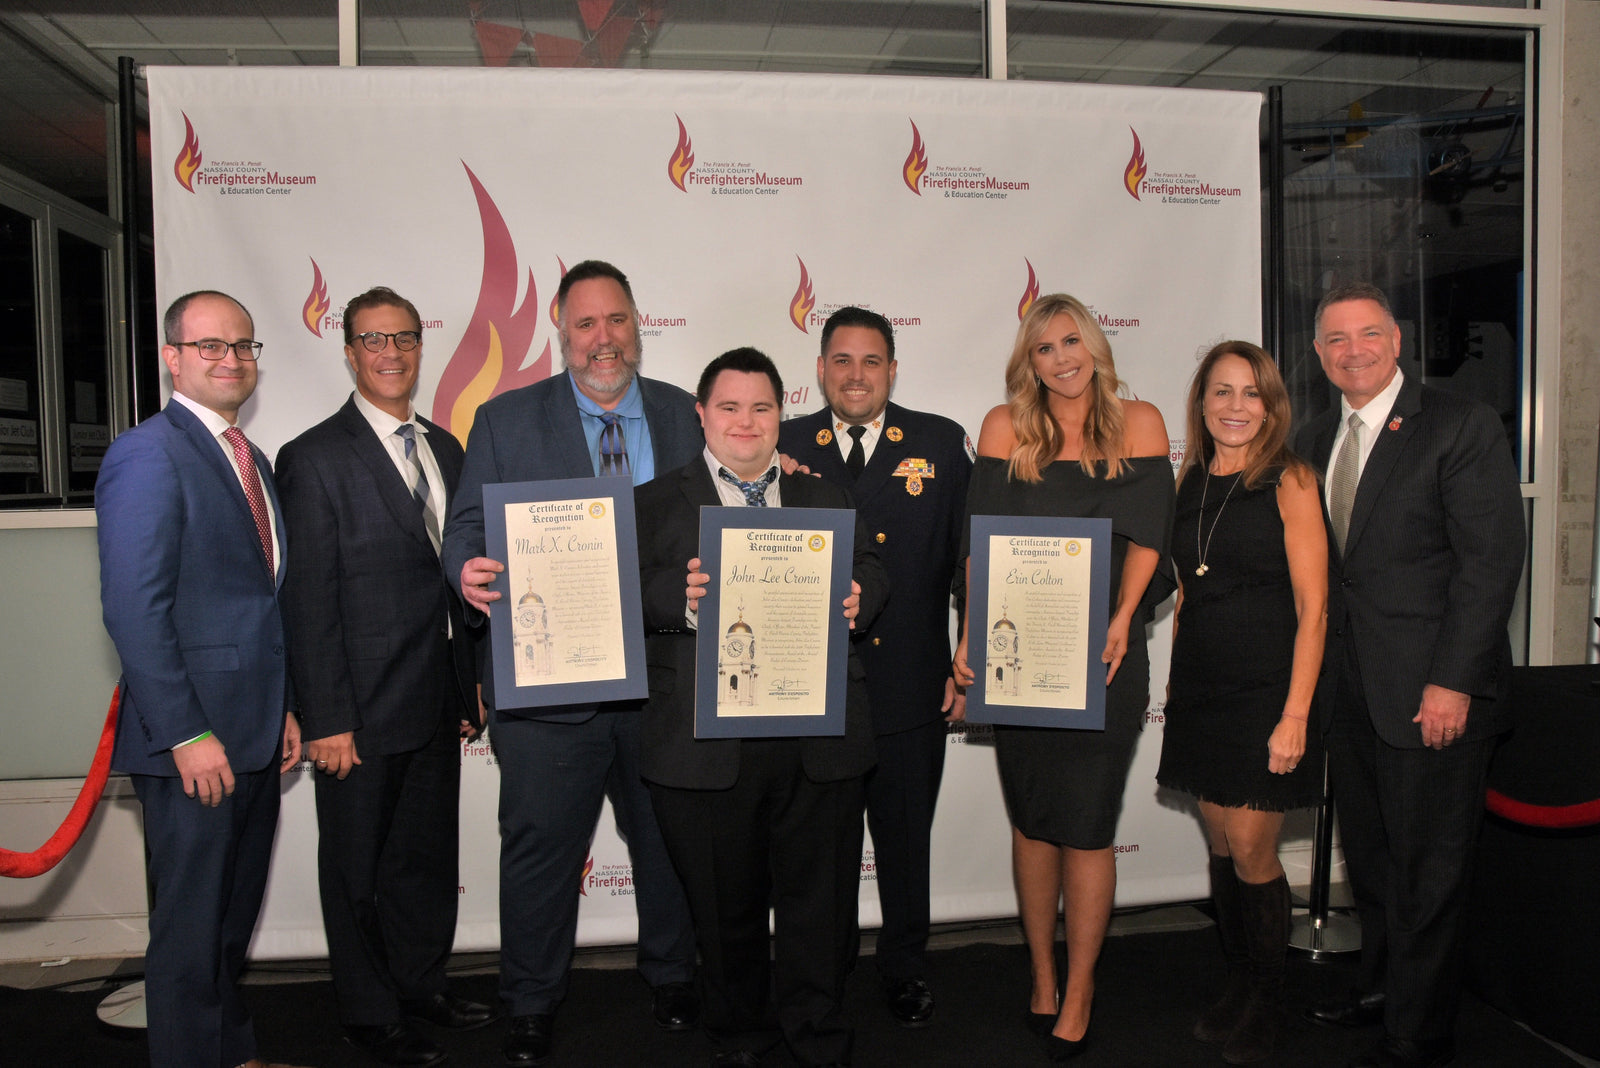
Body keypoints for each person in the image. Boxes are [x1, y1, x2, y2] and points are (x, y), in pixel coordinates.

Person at [440, 260, 700, 1066]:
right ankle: (530, 1000)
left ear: (637, 324)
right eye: (586, 324)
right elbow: (466, 531)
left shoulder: (688, 414)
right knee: (541, 847)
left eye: (616, 320)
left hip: (667, 676)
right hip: (550, 680)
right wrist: (466, 571)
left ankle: (674, 975)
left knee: (670, 841)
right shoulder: (505, 420)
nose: (603, 340)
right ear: (560, 327)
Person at [635, 347, 890, 1068]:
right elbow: (614, 597)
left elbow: (871, 567)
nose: (745, 422)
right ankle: (742, 1038)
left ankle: (818, 1039)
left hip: (818, 740)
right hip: (704, 747)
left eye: (761, 407)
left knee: (820, 909)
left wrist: (859, 598)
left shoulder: (825, 496)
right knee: (725, 915)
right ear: (701, 415)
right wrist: (673, 600)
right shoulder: (652, 503)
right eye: (729, 406)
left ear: (783, 414)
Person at [1294, 284, 1524, 1068]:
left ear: (1397, 339)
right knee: (1376, 861)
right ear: (1318, 355)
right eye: (1335, 340)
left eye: (1367, 334)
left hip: (1432, 694)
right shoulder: (1317, 435)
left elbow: (1489, 565)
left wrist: (1452, 682)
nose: (1352, 350)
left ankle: (1420, 1033)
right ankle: (1384, 990)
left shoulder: (1457, 425)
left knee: (1429, 872)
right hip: (1352, 695)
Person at [952, 293, 1175, 1062]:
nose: (1061, 358)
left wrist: (1123, 617)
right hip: (1020, 656)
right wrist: (969, 639)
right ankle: (1042, 976)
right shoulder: (1004, 426)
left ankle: (1080, 989)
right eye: (1044, 348)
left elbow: (1150, 532)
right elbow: (980, 546)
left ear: (1095, 345)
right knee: (1033, 819)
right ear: (1029, 361)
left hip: (1108, 655)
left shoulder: (1139, 421)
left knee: (1085, 827)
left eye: (1071, 340)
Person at [276, 287, 492, 1068]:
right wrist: (326, 715)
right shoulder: (313, 457)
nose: (392, 353)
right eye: (374, 340)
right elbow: (307, 602)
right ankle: (369, 1014)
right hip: (358, 714)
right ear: (349, 350)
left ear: (419, 345)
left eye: (403, 337)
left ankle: (421, 986)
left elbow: (456, 576)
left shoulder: (447, 446)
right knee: (357, 869)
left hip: (436, 699)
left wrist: (469, 682)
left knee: (426, 863)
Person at [96, 290, 304, 1068]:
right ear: (173, 358)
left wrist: (283, 708)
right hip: (195, 746)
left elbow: (257, 600)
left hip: (251, 733)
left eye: (244, 346)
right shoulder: (149, 453)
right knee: (188, 937)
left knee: (226, 924)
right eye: (211, 346)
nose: (232, 360)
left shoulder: (249, 456)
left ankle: (232, 1054)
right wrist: (187, 733)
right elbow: (134, 610)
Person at [777, 306, 971, 1026]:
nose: (855, 375)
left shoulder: (939, 442)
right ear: (821, 368)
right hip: (809, 686)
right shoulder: (784, 443)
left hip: (911, 683)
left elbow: (966, 560)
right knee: (819, 849)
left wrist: (967, 651)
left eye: (871, 361)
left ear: (893, 370)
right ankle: (820, 969)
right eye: (841, 360)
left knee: (902, 840)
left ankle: (905, 966)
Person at [1156, 341, 1328, 1065]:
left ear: (1271, 405)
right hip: (1202, 689)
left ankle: (1270, 1001)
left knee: (1256, 849)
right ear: (1200, 402)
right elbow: (1187, 587)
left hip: (1268, 692)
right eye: (1221, 392)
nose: (1236, 406)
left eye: (1251, 393)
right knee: (1222, 845)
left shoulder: (1290, 479)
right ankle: (1240, 984)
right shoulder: (1188, 479)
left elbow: (1314, 608)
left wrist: (1295, 716)